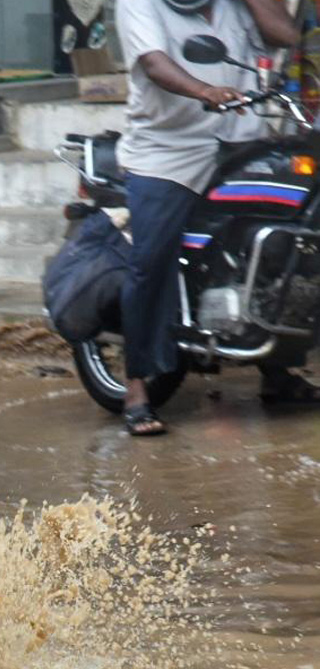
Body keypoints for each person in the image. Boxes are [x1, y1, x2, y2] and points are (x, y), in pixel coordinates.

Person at [116, 0, 301, 436]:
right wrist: (206, 91)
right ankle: (137, 388)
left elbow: (288, 36)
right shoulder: (138, 4)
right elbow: (156, 65)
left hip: (239, 141)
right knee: (150, 261)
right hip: (168, 152)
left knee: (277, 248)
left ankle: (277, 372)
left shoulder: (233, 6)